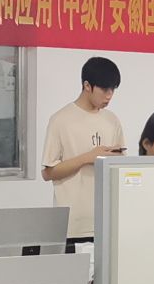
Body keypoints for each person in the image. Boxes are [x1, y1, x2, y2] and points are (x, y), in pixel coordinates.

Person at [40, 56, 124, 240]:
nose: (109, 95)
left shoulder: (112, 120)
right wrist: (88, 157)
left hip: (107, 221)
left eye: (113, 89)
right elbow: (48, 172)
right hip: (73, 225)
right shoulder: (60, 120)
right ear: (87, 85)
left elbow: (121, 169)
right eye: (104, 89)